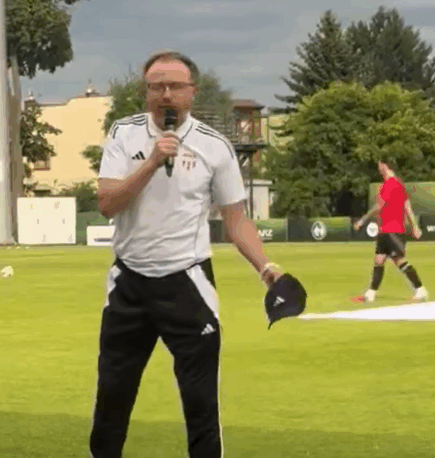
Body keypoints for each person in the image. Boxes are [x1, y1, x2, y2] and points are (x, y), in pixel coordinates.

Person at [90, 49, 283, 458]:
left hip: (187, 282)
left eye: (175, 86)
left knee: (201, 405)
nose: (166, 94)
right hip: (129, 284)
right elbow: (107, 204)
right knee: (112, 400)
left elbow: (236, 220)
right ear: (145, 92)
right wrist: (153, 161)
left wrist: (266, 267)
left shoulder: (216, 147)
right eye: (156, 86)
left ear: (192, 92)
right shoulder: (123, 134)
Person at [354, 161, 428, 302]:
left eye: (380, 166)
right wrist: (414, 226)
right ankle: (371, 293)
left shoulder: (390, 184)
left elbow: (379, 205)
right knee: (379, 260)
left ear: (385, 166)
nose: (378, 169)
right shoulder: (399, 184)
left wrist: (362, 221)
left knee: (399, 260)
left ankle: (420, 289)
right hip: (385, 230)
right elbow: (407, 207)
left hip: (392, 230)